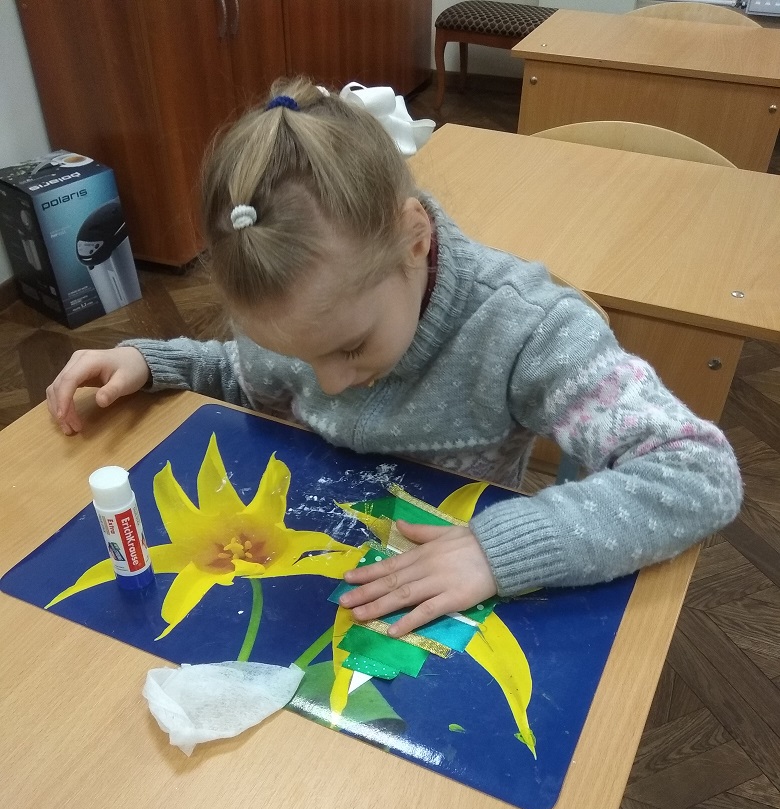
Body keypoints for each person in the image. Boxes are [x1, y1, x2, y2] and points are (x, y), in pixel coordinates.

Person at [46, 77, 742, 639]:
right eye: (298, 354)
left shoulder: (525, 329)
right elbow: (250, 378)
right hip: (312, 565)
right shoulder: (314, 314)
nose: (328, 384)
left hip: (450, 580)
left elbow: (699, 472)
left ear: (414, 239)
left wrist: (504, 547)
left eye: (351, 347)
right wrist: (156, 363)